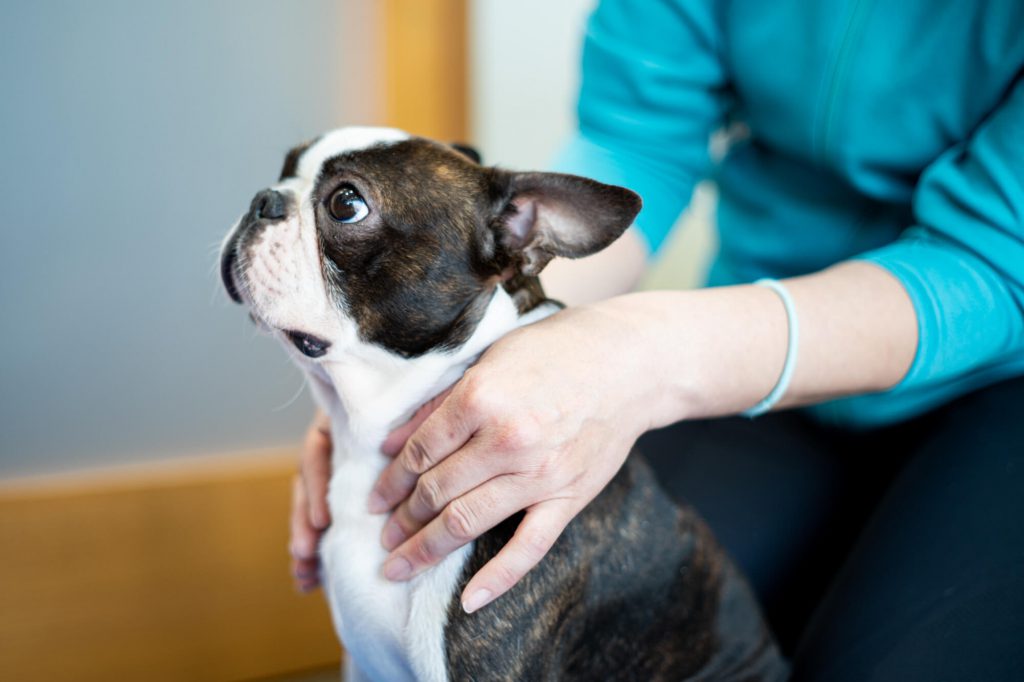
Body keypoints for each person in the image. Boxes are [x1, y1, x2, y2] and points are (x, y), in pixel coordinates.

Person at [290, 0, 1024, 678]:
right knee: (624, 611)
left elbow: (997, 258)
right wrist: (438, 371)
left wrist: (643, 352)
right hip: (754, 371)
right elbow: (636, 142)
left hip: (993, 384)